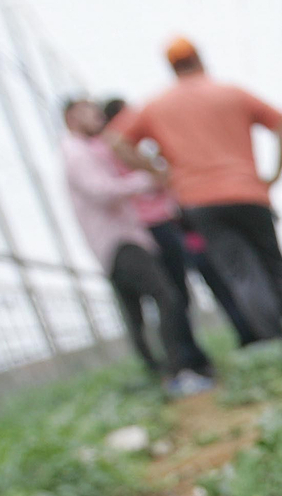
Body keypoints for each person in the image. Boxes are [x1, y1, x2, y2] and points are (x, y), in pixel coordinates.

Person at [109, 38, 282, 341]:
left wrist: (159, 173)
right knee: (275, 263)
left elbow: (117, 142)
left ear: (172, 67)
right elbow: (281, 122)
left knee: (241, 272)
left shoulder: (156, 105)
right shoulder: (229, 93)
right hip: (249, 192)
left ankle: (274, 338)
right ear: (199, 59)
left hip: (199, 201)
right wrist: (275, 174)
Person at [59, 97, 215, 396]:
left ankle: (160, 376)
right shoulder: (76, 154)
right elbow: (101, 191)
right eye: (86, 111)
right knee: (166, 296)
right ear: (71, 118)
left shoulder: (84, 151)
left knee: (136, 313)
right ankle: (177, 373)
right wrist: (144, 180)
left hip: (119, 240)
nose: (95, 116)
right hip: (118, 241)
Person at [101, 97, 263, 347]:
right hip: (155, 228)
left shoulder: (139, 150)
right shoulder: (114, 153)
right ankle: (191, 354)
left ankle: (248, 332)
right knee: (176, 294)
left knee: (215, 276)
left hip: (178, 222)